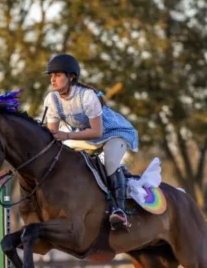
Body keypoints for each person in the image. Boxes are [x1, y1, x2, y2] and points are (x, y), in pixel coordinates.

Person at [42, 53, 139, 231]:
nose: (53, 80)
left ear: (71, 77)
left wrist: (67, 137)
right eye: (51, 76)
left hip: (113, 133)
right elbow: (52, 134)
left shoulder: (87, 96)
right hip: (87, 138)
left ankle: (120, 210)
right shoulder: (52, 99)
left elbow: (97, 131)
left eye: (57, 75)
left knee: (109, 162)